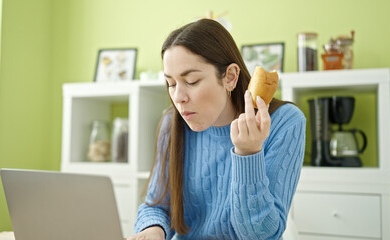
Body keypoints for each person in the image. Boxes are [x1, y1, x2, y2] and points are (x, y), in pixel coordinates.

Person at [128, 19, 306, 240]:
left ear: (230, 76)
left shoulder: (284, 122)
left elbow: (260, 235)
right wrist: (153, 230)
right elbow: (156, 204)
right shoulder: (171, 124)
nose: (178, 98)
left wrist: (248, 154)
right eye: (171, 84)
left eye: (191, 81)